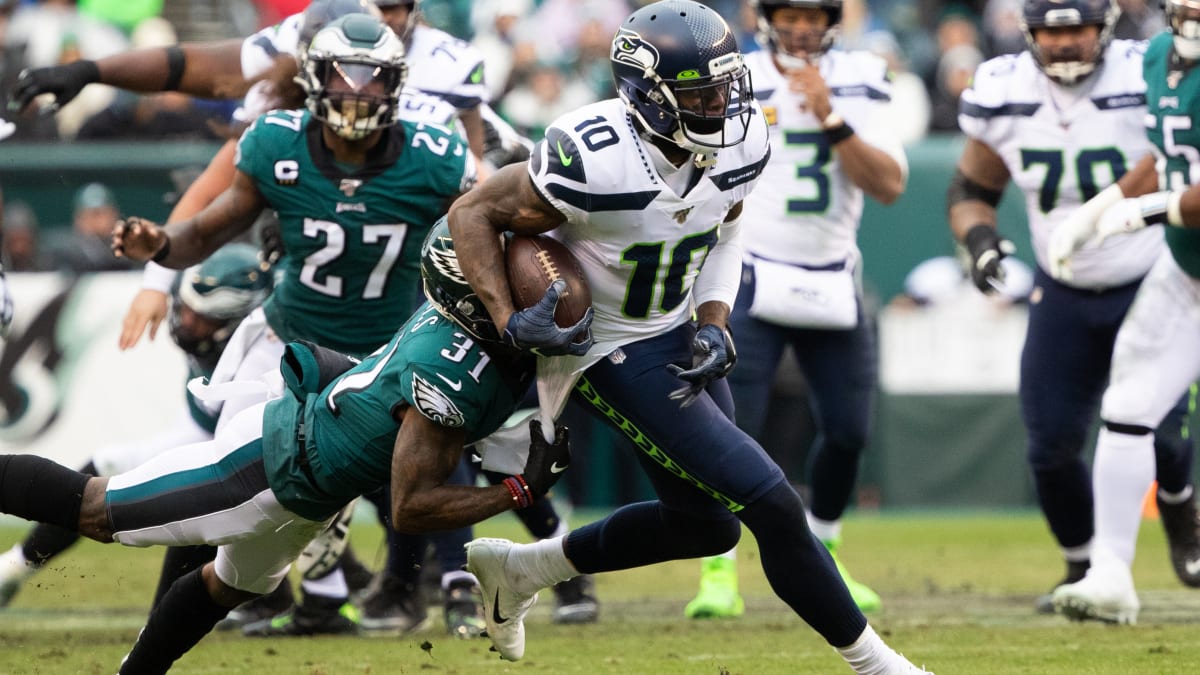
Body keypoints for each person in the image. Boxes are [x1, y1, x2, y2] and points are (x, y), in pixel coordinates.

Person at [447, 2, 929, 671]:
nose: (722, 102)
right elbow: (472, 210)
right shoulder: (589, 154)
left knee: (707, 524)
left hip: (670, 330)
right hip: (600, 345)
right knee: (773, 501)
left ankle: (521, 568)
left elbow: (728, 229)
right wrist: (508, 318)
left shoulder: (742, 140)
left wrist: (714, 319)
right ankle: (879, 664)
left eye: (727, 85)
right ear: (645, 91)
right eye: (701, 91)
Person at [0, 219, 572, 673]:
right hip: (270, 465)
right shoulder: (449, 372)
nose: (526, 302)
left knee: (228, 585)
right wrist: (516, 491)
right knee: (99, 510)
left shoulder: (460, 325)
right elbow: (410, 508)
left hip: (311, 492)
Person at [111, 13, 475, 636]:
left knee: (417, 471)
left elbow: (488, 223)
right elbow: (206, 229)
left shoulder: (436, 156)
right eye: (343, 75)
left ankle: (394, 589)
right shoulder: (276, 142)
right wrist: (161, 244)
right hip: (287, 341)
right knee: (223, 478)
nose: (357, 91)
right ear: (314, 78)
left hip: (387, 352)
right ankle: (192, 608)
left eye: (373, 79)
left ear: (396, 87)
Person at [948, 0, 1198, 617]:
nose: (1065, 43)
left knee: (1162, 435)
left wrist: (1117, 209)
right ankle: (1088, 566)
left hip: (1149, 267)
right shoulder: (1003, 88)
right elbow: (973, 188)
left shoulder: (1146, 71)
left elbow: (1172, 154)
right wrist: (980, 243)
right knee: (1050, 445)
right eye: (1051, 31)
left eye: (1078, 28)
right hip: (1063, 282)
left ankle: (1182, 516)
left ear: (1105, 27)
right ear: (1028, 33)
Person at [683, 0, 908, 620]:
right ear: (767, 16)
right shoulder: (735, 76)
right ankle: (719, 567)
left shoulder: (862, 74)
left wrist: (829, 113)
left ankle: (827, 547)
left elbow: (888, 185)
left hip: (832, 273)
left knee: (848, 430)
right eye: (792, 13)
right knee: (729, 429)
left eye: (815, 15)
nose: (803, 27)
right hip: (750, 274)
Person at [0, 243, 273, 607]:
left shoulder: (269, 351)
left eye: (204, 317)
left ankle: (318, 594)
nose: (187, 323)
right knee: (110, 468)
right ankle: (16, 567)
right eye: (187, 310)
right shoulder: (215, 345)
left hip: (271, 459)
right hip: (213, 437)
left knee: (217, 495)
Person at [1045, 0, 1200, 623]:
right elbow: (1168, 153)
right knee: (1129, 405)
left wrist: (1150, 211)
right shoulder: (1162, 55)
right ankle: (1110, 572)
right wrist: (1101, 206)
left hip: (1179, 244)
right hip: (1188, 268)